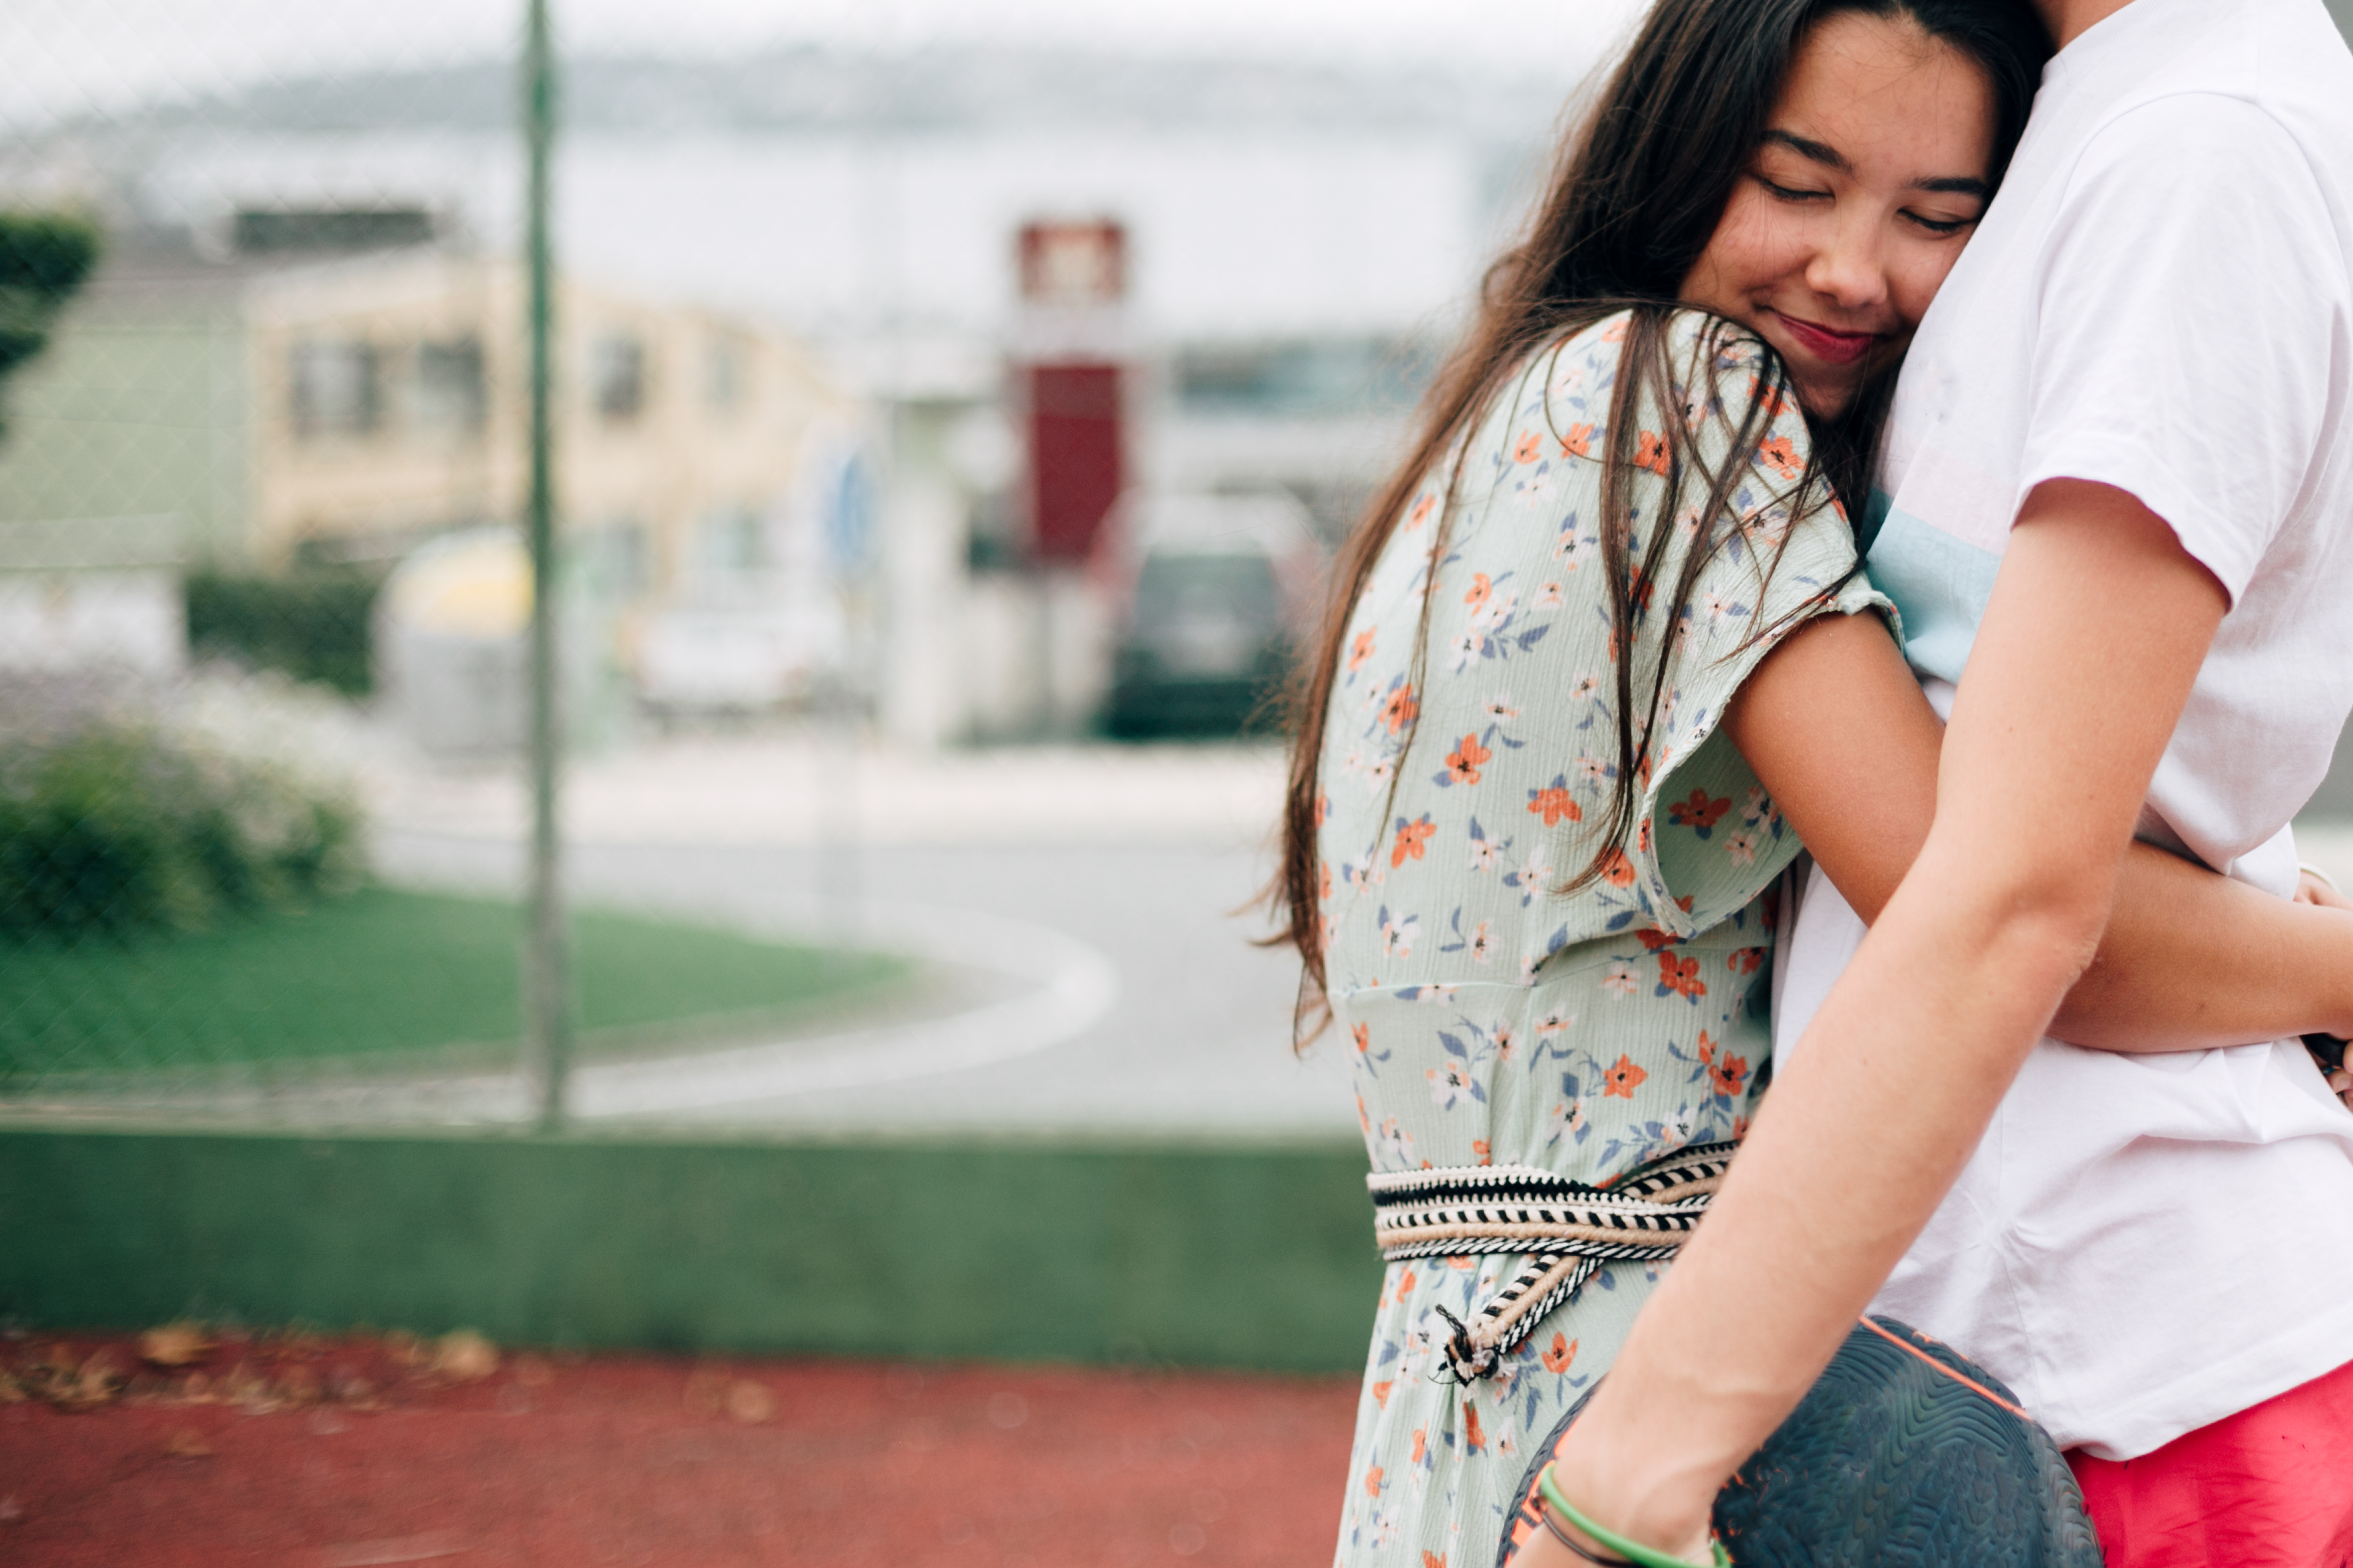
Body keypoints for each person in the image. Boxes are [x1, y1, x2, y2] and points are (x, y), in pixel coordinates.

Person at [1272, 1, 2353, 1565]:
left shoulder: (1525, 414)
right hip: (1634, 1390)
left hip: (1457, 1384)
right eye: (1795, 184)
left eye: (1937, 218)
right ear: (1680, 155)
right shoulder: (1685, 405)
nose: (1855, 269)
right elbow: (1992, 900)